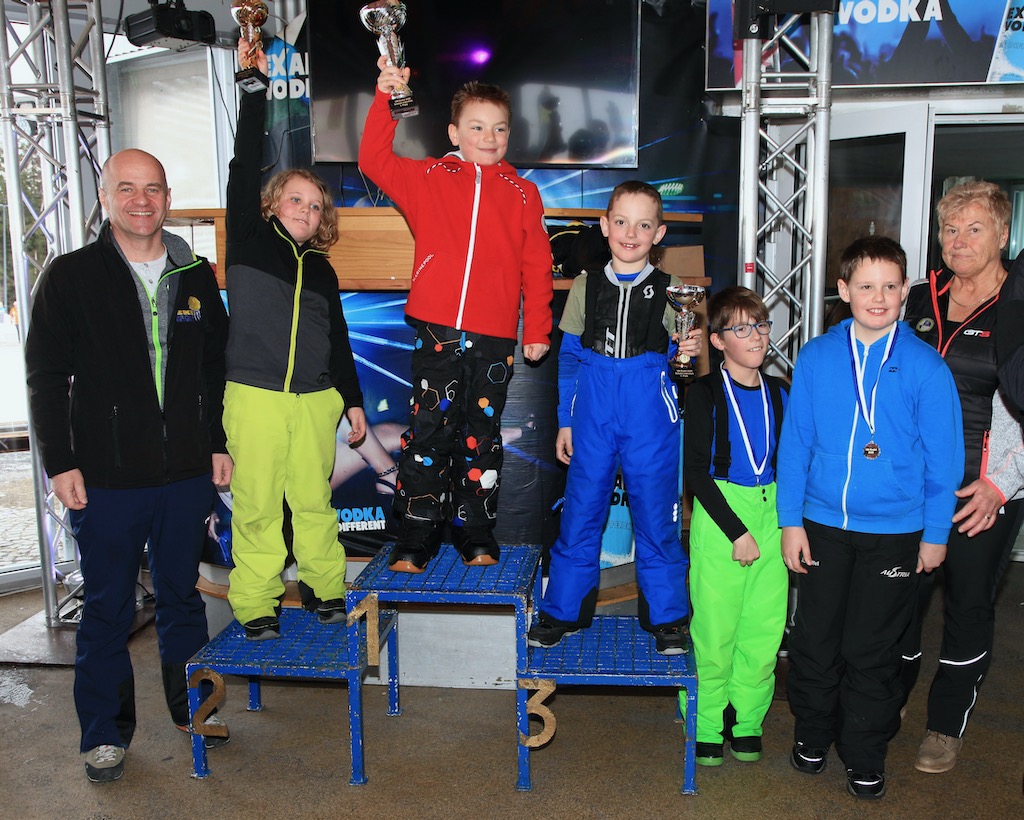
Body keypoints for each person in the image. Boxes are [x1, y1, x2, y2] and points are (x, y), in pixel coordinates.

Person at [24, 149, 232, 783]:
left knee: (182, 599)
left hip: (185, 475)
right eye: (127, 189)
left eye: (153, 189)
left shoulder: (196, 275)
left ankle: (194, 710)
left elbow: (213, 371)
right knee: (109, 608)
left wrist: (217, 443)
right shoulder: (70, 276)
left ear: (167, 198)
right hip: (106, 479)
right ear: (105, 198)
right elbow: (45, 377)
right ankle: (104, 735)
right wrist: (60, 462)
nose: (142, 201)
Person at [777, 236, 964, 800]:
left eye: (889, 286)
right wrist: (790, 521)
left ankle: (864, 753)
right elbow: (796, 445)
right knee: (815, 642)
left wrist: (936, 533)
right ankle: (812, 735)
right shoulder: (816, 357)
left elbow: (945, 460)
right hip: (822, 526)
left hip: (896, 533)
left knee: (872, 651)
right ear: (843, 290)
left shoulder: (927, 367)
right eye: (865, 286)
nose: (878, 297)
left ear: (905, 291)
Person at [359, 55, 553, 572]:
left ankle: (476, 531)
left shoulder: (523, 193)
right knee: (428, 433)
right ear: (454, 132)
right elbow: (373, 160)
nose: (489, 137)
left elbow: (537, 265)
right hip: (437, 330)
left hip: (494, 337)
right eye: (477, 127)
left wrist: (537, 326)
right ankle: (416, 535)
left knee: (480, 436)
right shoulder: (429, 176)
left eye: (499, 128)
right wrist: (386, 99)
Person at [225, 40, 365, 640]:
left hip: (314, 402)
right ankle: (256, 604)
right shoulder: (248, 241)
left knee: (313, 503)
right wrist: (253, 88)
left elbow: (338, 340)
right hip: (254, 396)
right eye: (295, 198)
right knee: (257, 506)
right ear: (272, 203)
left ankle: (325, 590)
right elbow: (242, 164)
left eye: (315, 204)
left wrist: (351, 400)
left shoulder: (324, 271)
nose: (306, 209)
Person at [525, 181, 699, 655]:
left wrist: (687, 349)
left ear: (658, 234)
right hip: (594, 412)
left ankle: (667, 618)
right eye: (621, 221)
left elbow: (681, 361)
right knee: (581, 512)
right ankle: (562, 610)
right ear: (604, 226)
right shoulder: (586, 286)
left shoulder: (672, 292)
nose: (630, 233)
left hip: (650, 414)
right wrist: (565, 420)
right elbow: (568, 360)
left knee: (656, 518)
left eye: (643, 225)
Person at [899, 180, 1024, 773]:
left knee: (968, 605)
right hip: (912, 485)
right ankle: (889, 695)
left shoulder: (1019, 305)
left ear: (1003, 234)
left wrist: (1002, 482)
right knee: (900, 595)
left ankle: (946, 725)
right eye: (950, 229)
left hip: (984, 488)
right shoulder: (917, 298)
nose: (960, 240)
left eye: (976, 228)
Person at [684, 286, 789, 766]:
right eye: (742, 328)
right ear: (718, 340)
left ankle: (747, 721)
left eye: (761, 325)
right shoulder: (705, 393)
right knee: (715, 628)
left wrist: (790, 524)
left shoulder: (780, 392)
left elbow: (792, 464)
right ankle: (706, 723)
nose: (756, 336)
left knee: (764, 630)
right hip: (722, 515)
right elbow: (695, 473)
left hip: (772, 513)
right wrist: (736, 531)